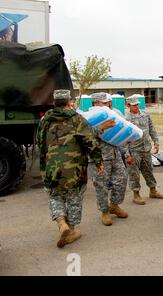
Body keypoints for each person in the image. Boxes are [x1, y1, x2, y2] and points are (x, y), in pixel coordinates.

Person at [36, 89, 104, 248]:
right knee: (74, 197)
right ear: (69, 102)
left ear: (54, 102)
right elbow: (90, 142)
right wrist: (98, 162)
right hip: (74, 169)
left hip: (52, 167)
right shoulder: (77, 119)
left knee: (55, 195)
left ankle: (61, 222)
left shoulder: (45, 119)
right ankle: (71, 230)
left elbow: (40, 141)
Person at [90, 92, 129, 226]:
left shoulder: (113, 113)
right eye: (106, 102)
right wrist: (101, 127)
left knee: (122, 179)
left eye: (109, 102)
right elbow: (84, 135)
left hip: (115, 153)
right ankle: (104, 212)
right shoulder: (88, 117)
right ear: (96, 103)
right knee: (101, 185)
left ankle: (114, 205)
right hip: (100, 157)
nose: (109, 104)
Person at [125, 95, 163, 205]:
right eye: (134, 105)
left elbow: (152, 128)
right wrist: (127, 154)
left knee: (149, 171)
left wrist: (156, 142)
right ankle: (136, 194)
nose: (136, 106)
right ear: (128, 105)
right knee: (134, 174)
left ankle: (153, 191)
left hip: (146, 149)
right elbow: (123, 139)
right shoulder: (126, 119)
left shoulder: (145, 114)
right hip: (134, 150)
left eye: (137, 104)